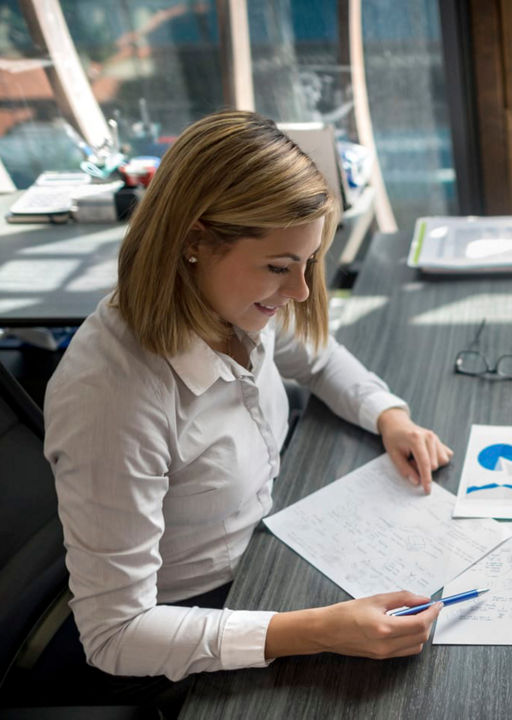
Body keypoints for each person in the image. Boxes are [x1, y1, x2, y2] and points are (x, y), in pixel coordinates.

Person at [35, 110, 453, 705]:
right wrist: (316, 631)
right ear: (195, 241)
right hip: (195, 624)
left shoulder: (229, 305)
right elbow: (115, 635)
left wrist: (389, 415)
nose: (301, 292)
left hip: (269, 552)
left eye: (307, 263)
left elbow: (316, 356)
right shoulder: (112, 397)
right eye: (279, 268)